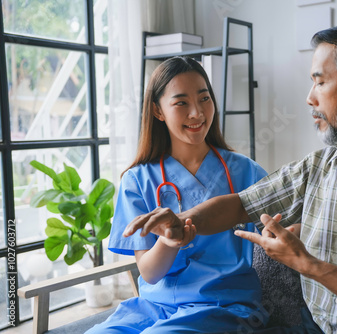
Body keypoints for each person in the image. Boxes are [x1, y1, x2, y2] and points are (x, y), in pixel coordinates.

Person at [123, 21, 337, 334]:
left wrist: (308, 263)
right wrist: (180, 222)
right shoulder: (316, 167)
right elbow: (238, 205)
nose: (309, 98)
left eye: (320, 82)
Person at [86, 56, 269, 333]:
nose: (196, 113)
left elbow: (283, 229)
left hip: (225, 307)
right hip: (154, 307)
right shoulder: (137, 180)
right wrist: (170, 240)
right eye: (181, 102)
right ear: (158, 111)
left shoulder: (247, 172)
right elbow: (149, 272)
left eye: (204, 98)